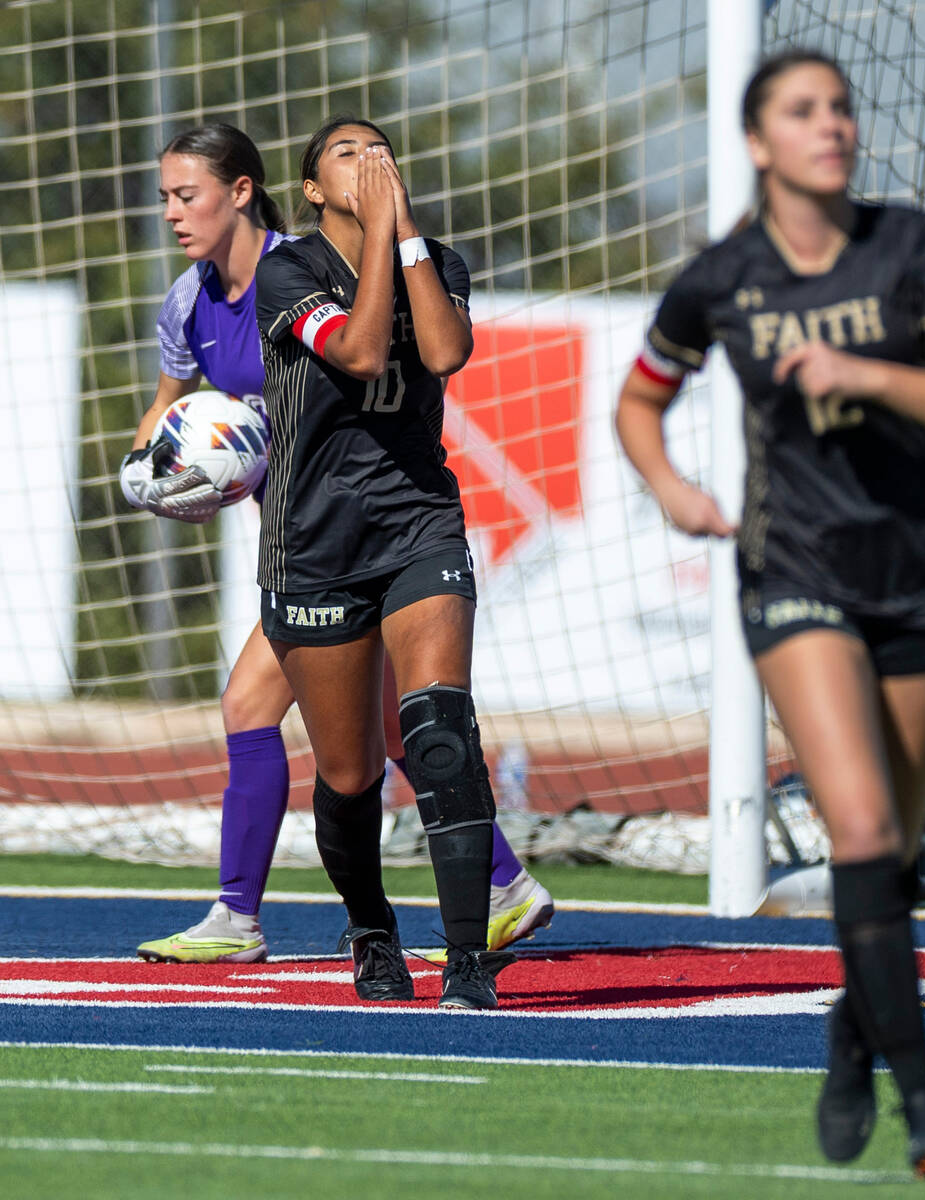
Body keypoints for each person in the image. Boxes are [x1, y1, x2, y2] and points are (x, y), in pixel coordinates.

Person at [615, 51, 925, 1176]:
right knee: (864, 834)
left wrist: (871, 374)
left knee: (897, 849)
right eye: (802, 111)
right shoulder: (720, 277)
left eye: (838, 108)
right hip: (793, 574)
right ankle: (923, 1101)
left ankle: (853, 1031)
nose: (830, 125)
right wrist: (670, 488)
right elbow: (640, 401)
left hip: (924, 575)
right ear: (757, 142)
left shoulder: (916, 248)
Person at [120, 123, 553, 970]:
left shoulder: (304, 263)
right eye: (166, 197)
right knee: (372, 737)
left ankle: (245, 917)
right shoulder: (190, 301)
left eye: (187, 195)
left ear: (242, 191)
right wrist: (158, 478)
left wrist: (400, 232)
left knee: (341, 719)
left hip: (382, 527)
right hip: (307, 541)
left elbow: (396, 353)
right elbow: (171, 411)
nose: (173, 213)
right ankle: (498, 887)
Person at [254, 114, 524, 1010]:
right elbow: (363, 352)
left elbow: (445, 351)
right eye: (346, 154)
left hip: (420, 526)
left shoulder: (434, 259)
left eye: (380, 151)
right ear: (313, 189)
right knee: (349, 773)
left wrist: (401, 231)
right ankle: (372, 931)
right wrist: (378, 239)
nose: (369, 164)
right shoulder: (287, 270)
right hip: (317, 543)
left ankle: (468, 963)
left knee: (442, 733)